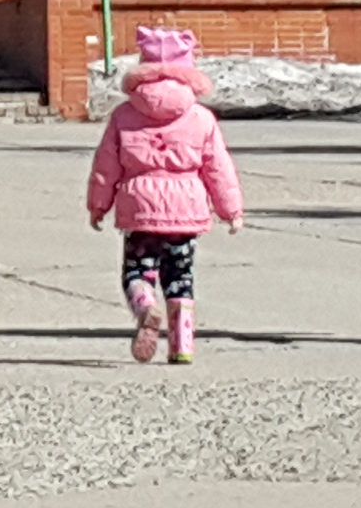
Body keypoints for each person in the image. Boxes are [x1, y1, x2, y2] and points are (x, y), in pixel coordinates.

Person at [84, 26, 244, 364]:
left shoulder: (124, 116)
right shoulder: (201, 117)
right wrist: (231, 210)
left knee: (137, 271)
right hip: (185, 208)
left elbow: (106, 165)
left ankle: (145, 307)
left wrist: (98, 205)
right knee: (180, 276)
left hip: (139, 206)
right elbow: (218, 167)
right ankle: (182, 344)